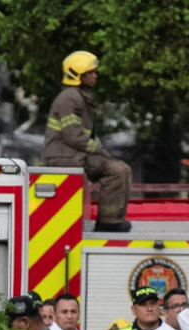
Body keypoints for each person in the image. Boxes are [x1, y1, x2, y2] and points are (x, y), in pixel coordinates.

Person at [43, 50, 133, 232]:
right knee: (116, 171)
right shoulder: (70, 98)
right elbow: (73, 136)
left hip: (75, 154)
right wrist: (100, 151)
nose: (95, 76)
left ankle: (112, 220)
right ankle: (108, 223)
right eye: (90, 73)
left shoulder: (79, 96)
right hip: (65, 156)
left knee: (123, 169)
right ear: (78, 76)